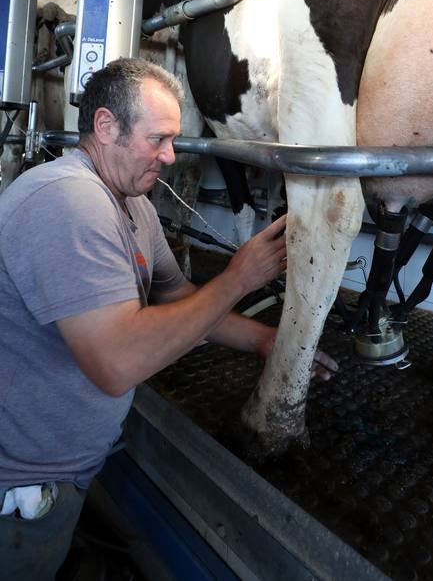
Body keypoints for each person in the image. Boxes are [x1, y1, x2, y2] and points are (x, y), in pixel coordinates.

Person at [0, 57, 337, 580]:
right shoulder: (67, 200)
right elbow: (116, 362)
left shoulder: (134, 207)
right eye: (159, 138)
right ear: (107, 126)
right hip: (19, 489)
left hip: (62, 473)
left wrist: (267, 342)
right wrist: (238, 278)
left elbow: (177, 299)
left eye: (173, 139)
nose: (171, 155)